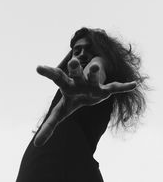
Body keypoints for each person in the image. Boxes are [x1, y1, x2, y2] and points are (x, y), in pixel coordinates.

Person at [16, 27, 148, 182]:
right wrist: (77, 51)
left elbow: (98, 66)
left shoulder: (96, 73)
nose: (82, 53)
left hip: (66, 168)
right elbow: (65, 66)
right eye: (76, 50)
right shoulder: (69, 88)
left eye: (90, 50)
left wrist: (96, 60)